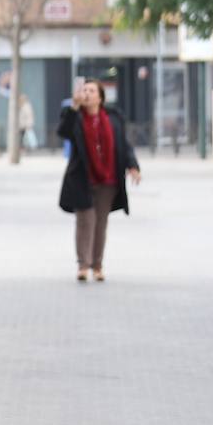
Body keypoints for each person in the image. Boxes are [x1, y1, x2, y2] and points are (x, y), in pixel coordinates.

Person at [57, 78, 141, 282]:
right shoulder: (75, 116)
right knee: (85, 221)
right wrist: (74, 107)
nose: (86, 93)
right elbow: (63, 132)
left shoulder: (113, 118)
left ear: (100, 97)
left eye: (91, 90)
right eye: (84, 90)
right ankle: (83, 265)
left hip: (109, 179)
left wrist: (133, 166)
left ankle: (97, 265)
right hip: (82, 179)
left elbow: (124, 145)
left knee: (100, 223)